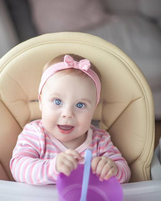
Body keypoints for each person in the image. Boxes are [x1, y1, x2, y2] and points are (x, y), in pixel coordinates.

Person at [10, 54, 131, 185]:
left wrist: (113, 169)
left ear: (94, 109)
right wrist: (53, 168)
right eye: (57, 101)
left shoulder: (100, 141)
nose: (67, 114)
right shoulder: (35, 134)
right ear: (41, 102)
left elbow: (125, 172)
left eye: (80, 105)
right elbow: (18, 167)